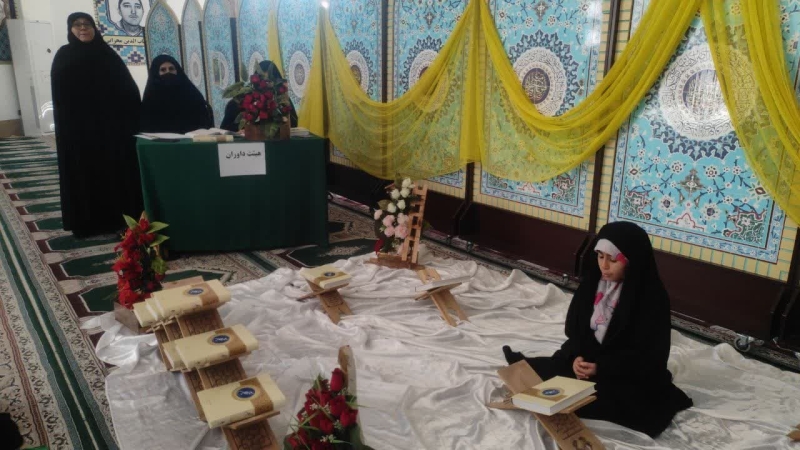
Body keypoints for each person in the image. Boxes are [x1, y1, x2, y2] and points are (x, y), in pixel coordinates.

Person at [502, 221, 692, 438]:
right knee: (543, 374)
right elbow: (578, 332)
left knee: (622, 403)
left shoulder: (651, 298)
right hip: (589, 363)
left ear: (632, 261)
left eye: (613, 260)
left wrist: (602, 368)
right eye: (600, 256)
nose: (604, 266)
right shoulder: (594, 283)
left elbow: (648, 356)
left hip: (625, 373)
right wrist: (577, 358)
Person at [51, 13, 143, 237]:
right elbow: (60, 93)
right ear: (70, 29)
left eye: (87, 24)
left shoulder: (107, 54)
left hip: (110, 128)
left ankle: (117, 219)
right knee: (85, 174)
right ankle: (87, 223)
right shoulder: (64, 55)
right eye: (77, 25)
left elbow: (128, 89)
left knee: (113, 171)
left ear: (95, 28)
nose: (83, 28)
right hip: (79, 130)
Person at [141, 55, 213, 134]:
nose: (168, 72)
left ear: (178, 71)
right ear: (156, 73)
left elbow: (203, 124)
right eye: (163, 70)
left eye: (171, 69)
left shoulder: (192, 95)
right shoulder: (150, 99)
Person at [220, 60, 298, 132]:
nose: (266, 86)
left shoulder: (282, 100)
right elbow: (224, 129)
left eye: (269, 82)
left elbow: (294, 124)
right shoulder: (241, 101)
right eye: (262, 81)